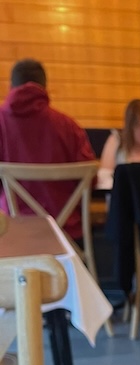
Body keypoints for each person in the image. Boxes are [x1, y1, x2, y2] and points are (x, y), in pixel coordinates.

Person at [0, 58, 95, 240]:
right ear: (44, 88)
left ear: (11, 87)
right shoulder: (69, 127)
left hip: (12, 233)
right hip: (65, 232)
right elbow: (91, 181)